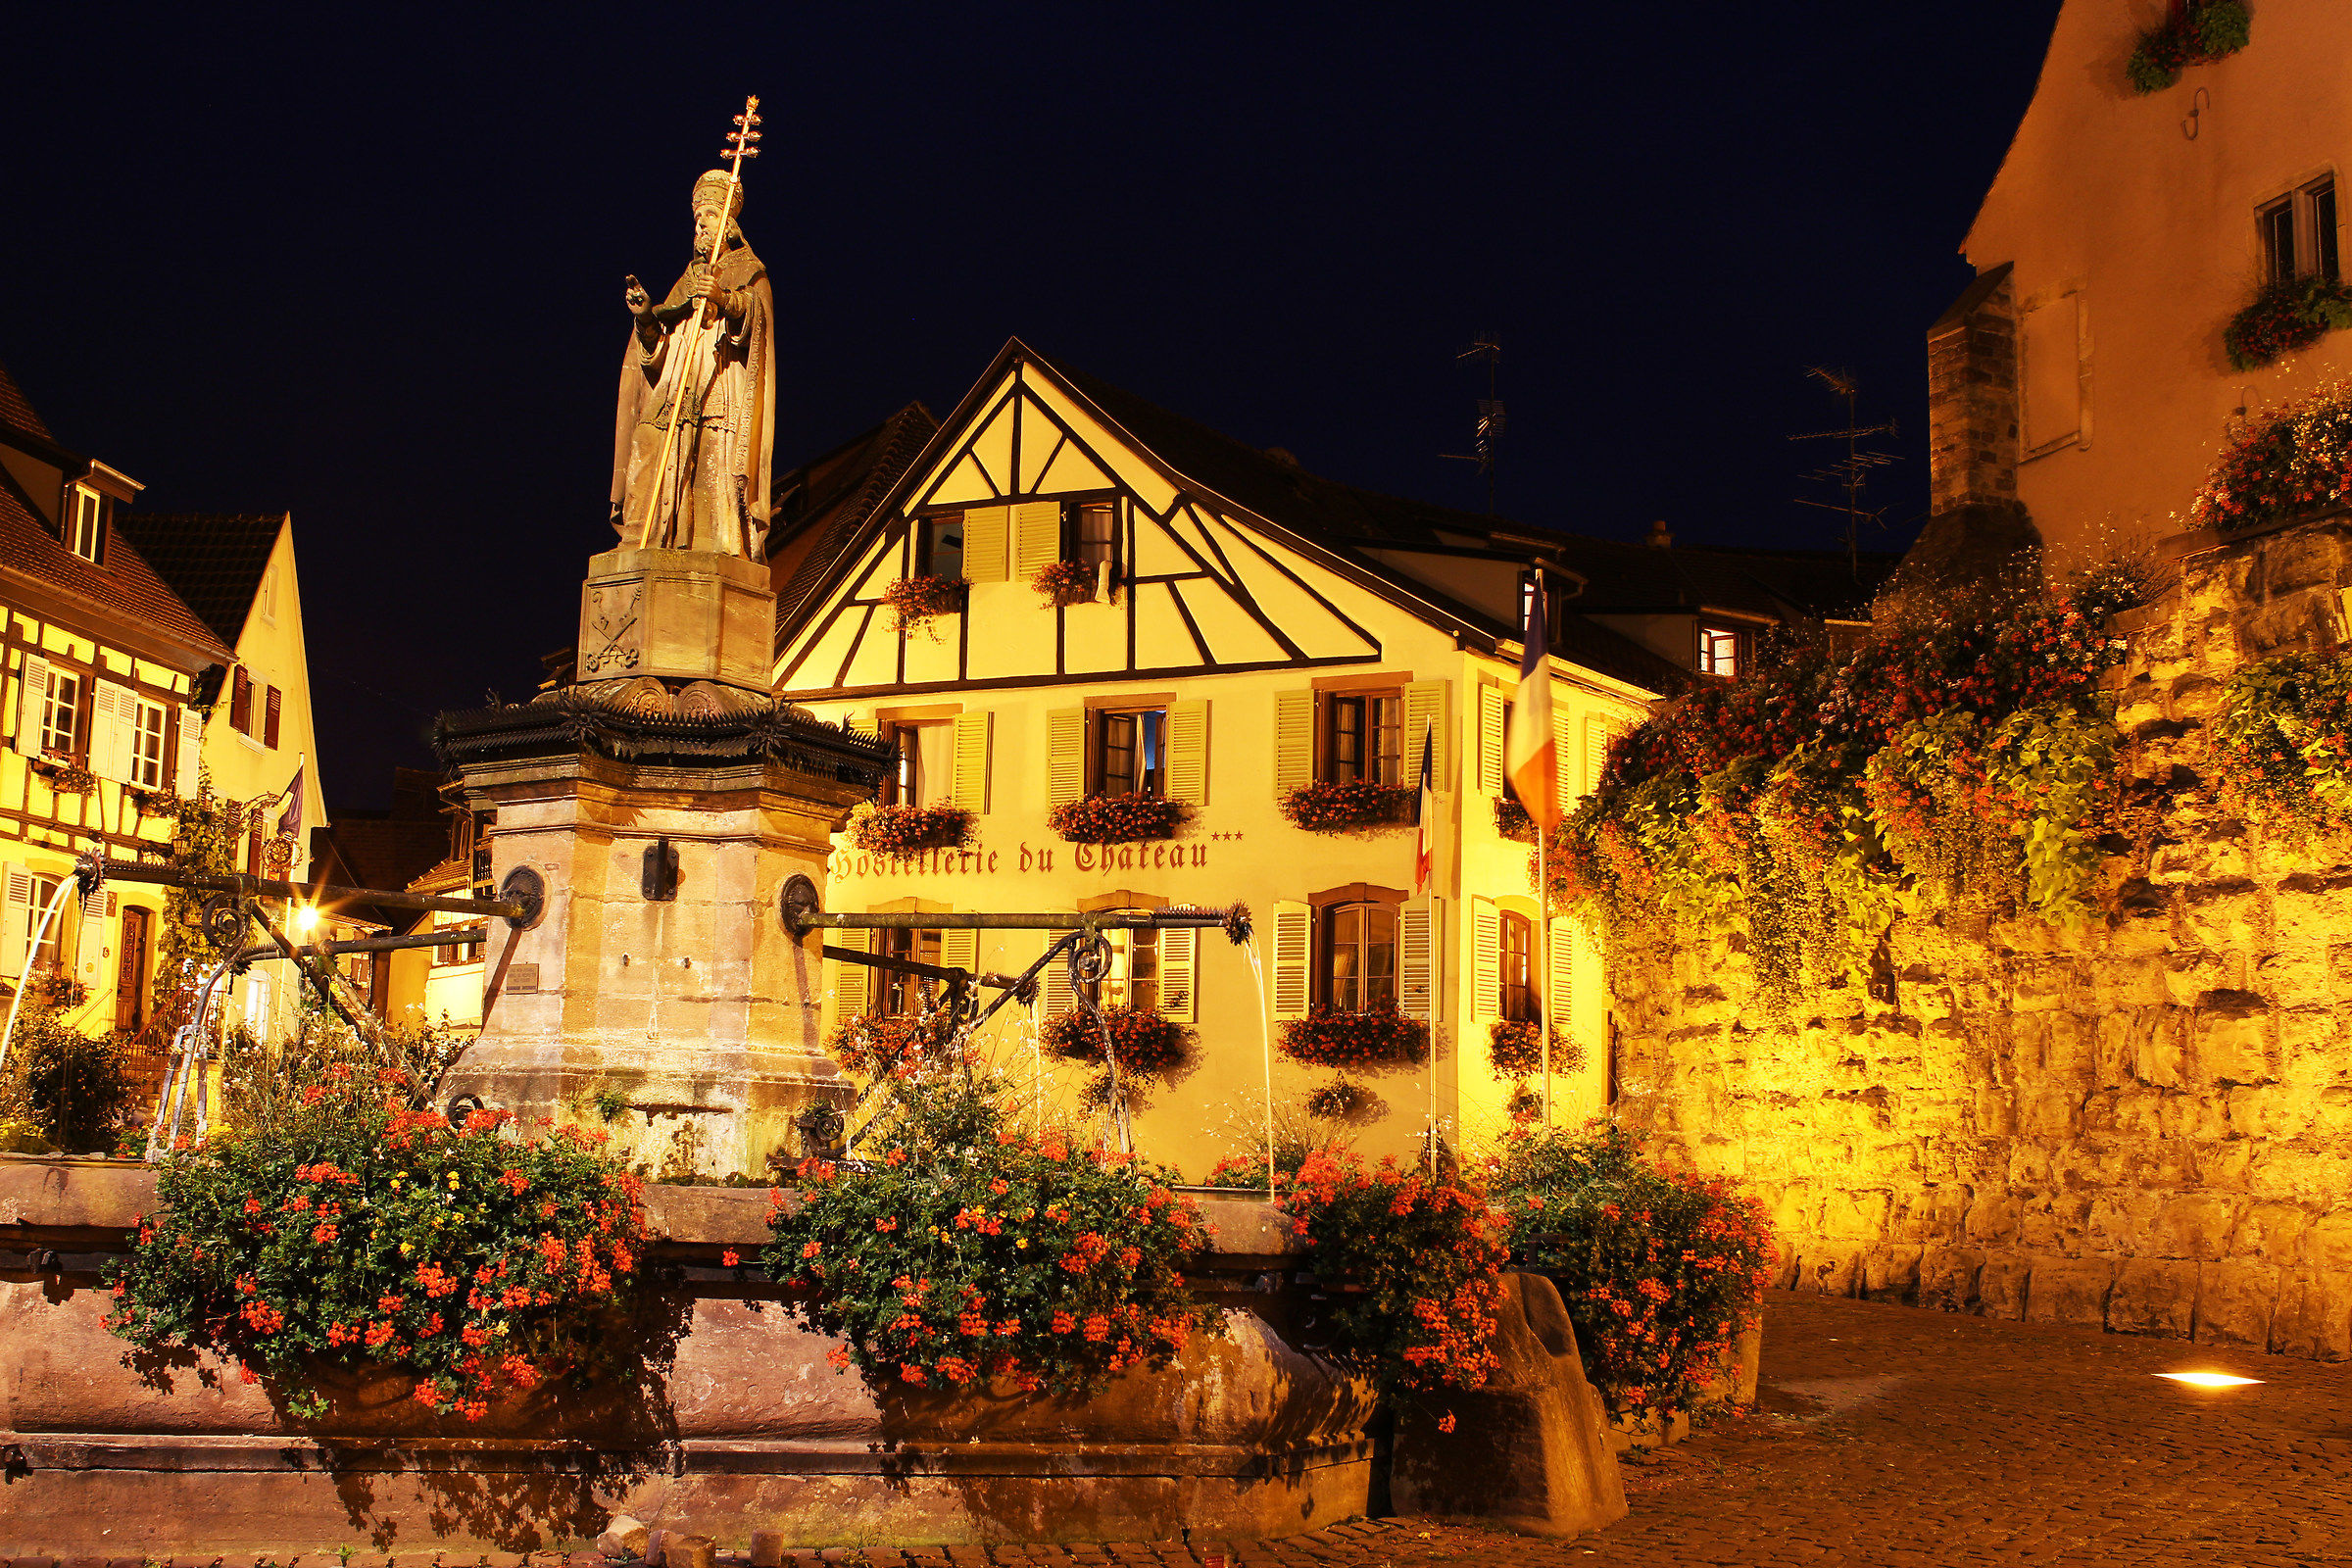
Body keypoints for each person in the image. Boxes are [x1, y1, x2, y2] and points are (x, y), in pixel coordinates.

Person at [610, 170, 776, 557]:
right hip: (674, 390)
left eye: (710, 216)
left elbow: (757, 322)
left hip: (719, 386)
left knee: (710, 468)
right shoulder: (686, 279)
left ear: (729, 225)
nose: (700, 223)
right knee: (647, 442)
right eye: (696, 217)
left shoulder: (749, 271)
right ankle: (646, 542)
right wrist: (647, 320)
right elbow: (656, 355)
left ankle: (712, 551)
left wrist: (724, 298)